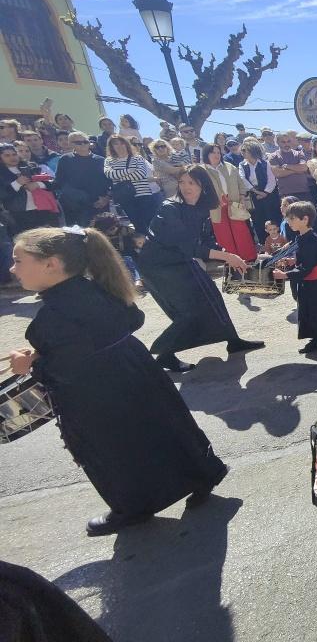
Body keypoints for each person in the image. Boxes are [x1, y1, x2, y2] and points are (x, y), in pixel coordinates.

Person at [7, 227, 228, 536]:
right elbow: (132, 319)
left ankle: (133, 507)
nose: (12, 269)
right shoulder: (98, 288)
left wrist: (29, 364)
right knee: (167, 426)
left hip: (98, 395)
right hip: (136, 371)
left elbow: (63, 370)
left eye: (19, 260)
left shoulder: (53, 316)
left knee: (113, 451)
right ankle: (203, 474)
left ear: (51, 264)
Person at [137, 165, 264, 372]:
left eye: (192, 183)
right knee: (189, 311)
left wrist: (228, 254)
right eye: (182, 182)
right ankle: (164, 354)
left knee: (212, 296)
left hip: (181, 260)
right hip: (158, 266)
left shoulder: (202, 207)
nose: (186, 187)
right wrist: (227, 257)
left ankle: (233, 341)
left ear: (203, 185)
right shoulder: (169, 208)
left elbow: (206, 240)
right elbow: (189, 246)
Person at [271, 201, 317, 354]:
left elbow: (306, 267)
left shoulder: (310, 240)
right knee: (314, 312)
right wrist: (293, 260)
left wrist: (285, 274)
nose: (288, 222)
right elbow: (308, 259)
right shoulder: (303, 236)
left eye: (292, 218)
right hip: (314, 282)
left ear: (305, 219)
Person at [202, 144, 257, 262]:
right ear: (206, 154)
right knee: (223, 235)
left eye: (218, 152)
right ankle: (231, 261)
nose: (216, 155)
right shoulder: (202, 170)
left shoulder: (229, 166)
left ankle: (249, 258)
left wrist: (242, 198)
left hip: (234, 203)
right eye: (213, 152)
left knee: (241, 231)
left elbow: (241, 183)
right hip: (215, 206)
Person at [104, 136, 161, 232]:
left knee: (150, 224)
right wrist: (130, 170)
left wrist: (119, 176)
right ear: (111, 146)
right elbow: (110, 174)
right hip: (125, 197)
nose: (120, 146)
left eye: (122, 143)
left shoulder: (137, 158)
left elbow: (140, 174)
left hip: (143, 194)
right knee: (138, 225)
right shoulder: (108, 160)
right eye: (116, 144)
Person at [54, 131, 110, 227]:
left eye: (85, 141)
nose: (83, 144)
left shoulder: (101, 160)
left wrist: (106, 198)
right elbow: (60, 182)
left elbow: (109, 182)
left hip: (99, 204)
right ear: (71, 144)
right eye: (78, 142)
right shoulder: (65, 159)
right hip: (74, 206)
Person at [239, 140, 280, 245]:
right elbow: (242, 179)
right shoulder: (242, 165)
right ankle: (264, 244)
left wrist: (265, 193)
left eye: (245, 150)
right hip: (254, 196)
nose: (242, 152)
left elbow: (272, 180)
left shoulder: (265, 163)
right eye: (242, 150)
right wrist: (256, 191)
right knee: (258, 221)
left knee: (272, 218)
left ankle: (278, 243)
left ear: (252, 150)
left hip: (270, 196)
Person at [269, 133, 310, 201]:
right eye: (283, 142)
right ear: (278, 142)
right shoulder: (273, 156)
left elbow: (304, 168)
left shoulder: (299, 153)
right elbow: (278, 173)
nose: (286, 144)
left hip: (304, 191)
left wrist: (287, 166)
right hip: (286, 194)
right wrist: (297, 170)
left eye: (288, 141)